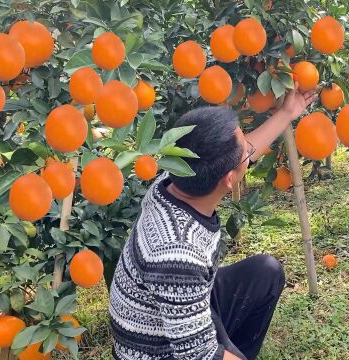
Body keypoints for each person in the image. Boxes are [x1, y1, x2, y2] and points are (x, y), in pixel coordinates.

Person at [109, 84, 318, 360]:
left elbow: (242, 153)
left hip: (179, 305)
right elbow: (199, 354)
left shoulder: (176, 175)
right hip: (155, 350)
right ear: (229, 179)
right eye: (245, 152)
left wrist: (288, 112)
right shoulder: (176, 255)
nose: (250, 151)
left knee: (265, 273)